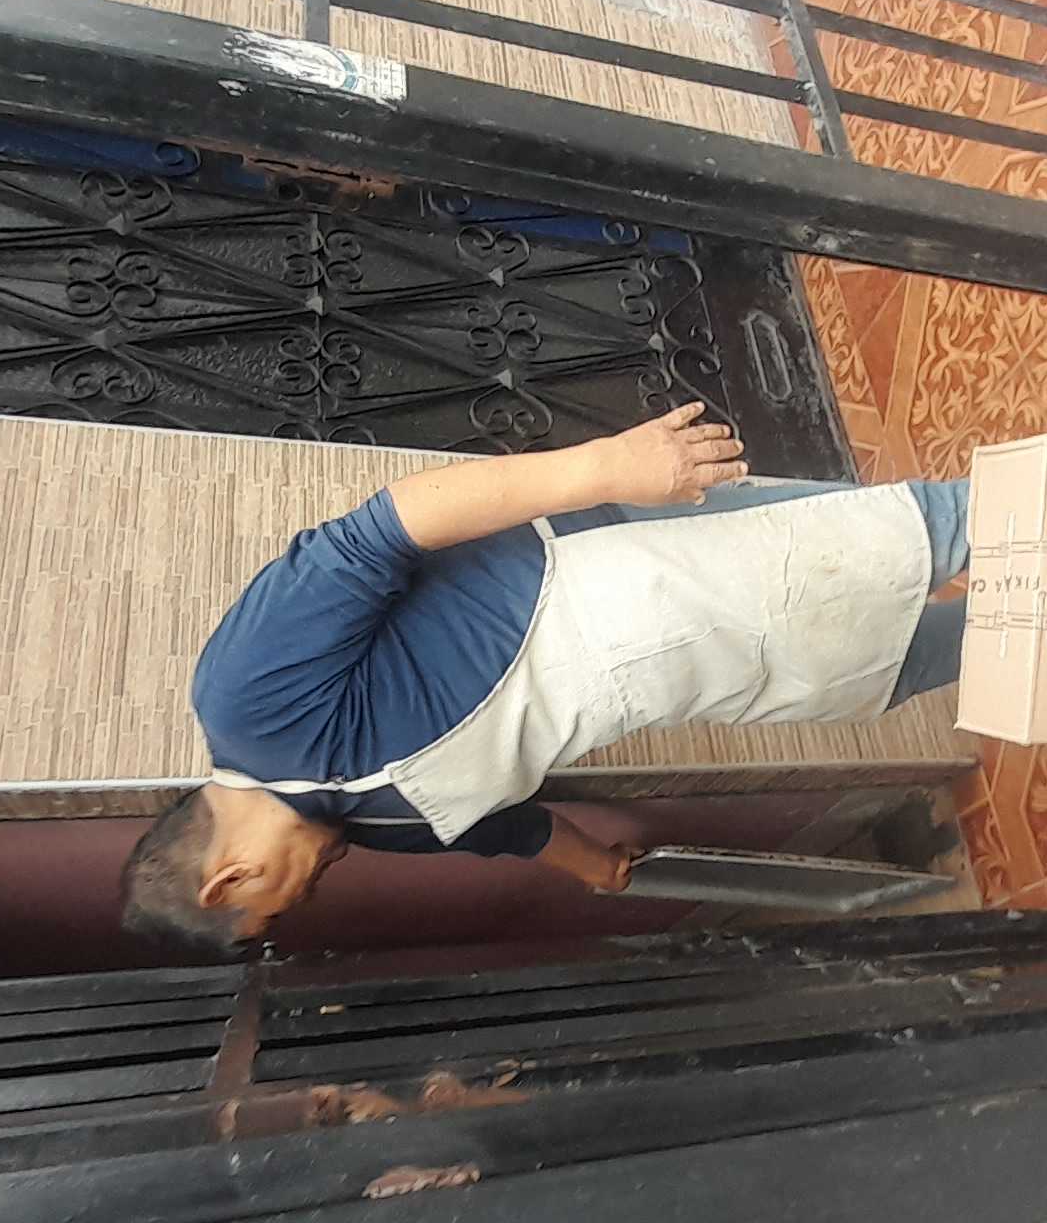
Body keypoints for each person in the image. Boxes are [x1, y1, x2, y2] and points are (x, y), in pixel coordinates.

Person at [120, 403, 971, 953]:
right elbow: (511, 830)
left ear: (227, 879)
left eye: (280, 906)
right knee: (917, 660)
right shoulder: (375, 826)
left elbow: (384, 530)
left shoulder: (243, 701)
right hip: (702, 676)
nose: (307, 895)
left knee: (939, 534)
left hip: (642, 562)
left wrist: (604, 467)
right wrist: (595, 867)